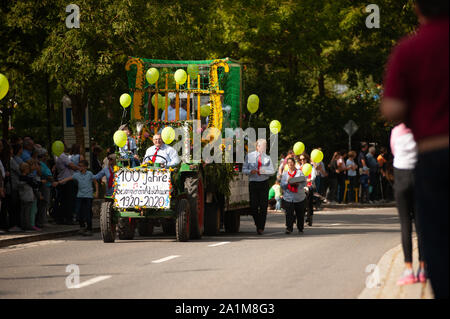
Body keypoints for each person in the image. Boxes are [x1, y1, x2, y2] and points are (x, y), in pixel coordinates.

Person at [381, 0, 448, 298]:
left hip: (433, 154)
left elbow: (392, 108)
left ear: (419, 9)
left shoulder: (410, 49)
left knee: (434, 233)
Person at [390, 123, 426, 286]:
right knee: (421, 226)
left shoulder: (396, 131)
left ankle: (408, 270)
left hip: (401, 178)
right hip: (419, 177)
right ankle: (424, 268)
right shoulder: (422, 129)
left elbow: (394, 151)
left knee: (405, 224)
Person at [55, 160, 97, 236]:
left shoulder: (90, 174)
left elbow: (95, 182)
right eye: (79, 166)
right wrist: (58, 182)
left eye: (81, 166)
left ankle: (89, 229)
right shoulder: (77, 174)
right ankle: (82, 227)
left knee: (88, 213)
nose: (79, 167)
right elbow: (68, 178)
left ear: (85, 167)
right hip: (80, 196)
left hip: (88, 196)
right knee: (79, 212)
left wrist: (96, 192)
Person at [242, 138, 275, 235]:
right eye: (263, 146)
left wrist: (264, 171)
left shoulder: (267, 158)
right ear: (257, 146)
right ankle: (258, 223)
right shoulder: (250, 156)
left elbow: (272, 171)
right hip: (253, 182)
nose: (265, 148)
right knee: (253, 206)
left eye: (266, 146)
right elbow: (244, 169)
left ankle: (261, 227)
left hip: (263, 182)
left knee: (263, 206)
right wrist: (250, 171)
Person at [54, 142, 80, 224]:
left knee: (63, 201)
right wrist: (80, 169)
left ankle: (61, 218)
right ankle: (69, 218)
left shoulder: (56, 156)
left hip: (61, 179)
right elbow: (71, 166)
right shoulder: (63, 156)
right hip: (68, 180)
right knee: (69, 201)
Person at [280, 157, 307, 234]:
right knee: (289, 214)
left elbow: (304, 183)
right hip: (288, 197)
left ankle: (300, 228)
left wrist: (295, 182)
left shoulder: (299, 173)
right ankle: (289, 228)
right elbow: (282, 185)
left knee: (300, 214)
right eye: (288, 163)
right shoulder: (285, 174)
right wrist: (288, 182)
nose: (290, 164)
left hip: (299, 197)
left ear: (294, 163)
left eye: (291, 162)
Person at [18, 163, 40, 231]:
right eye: (28, 169)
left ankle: (23, 225)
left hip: (22, 196)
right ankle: (27, 225)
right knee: (27, 212)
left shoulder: (20, 177)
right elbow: (35, 185)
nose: (29, 170)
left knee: (23, 211)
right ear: (25, 170)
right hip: (28, 197)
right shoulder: (27, 179)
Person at [36, 148, 53, 228]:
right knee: (43, 203)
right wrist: (50, 179)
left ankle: (43, 219)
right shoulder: (40, 164)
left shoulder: (44, 163)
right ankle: (42, 221)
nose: (47, 157)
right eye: (45, 155)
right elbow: (43, 174)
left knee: (46, 203)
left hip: (48, 185)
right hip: (44, 186)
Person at [299, 154, 315, 226]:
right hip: (301, 186)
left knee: (309, 202)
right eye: (301, 159)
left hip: (309, 185)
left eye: (304, 159)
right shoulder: (299, 168)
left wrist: (308, 180)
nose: (302, 161)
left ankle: (309, 216)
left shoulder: (311, 167)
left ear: (307, 159)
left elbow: (313, 177)